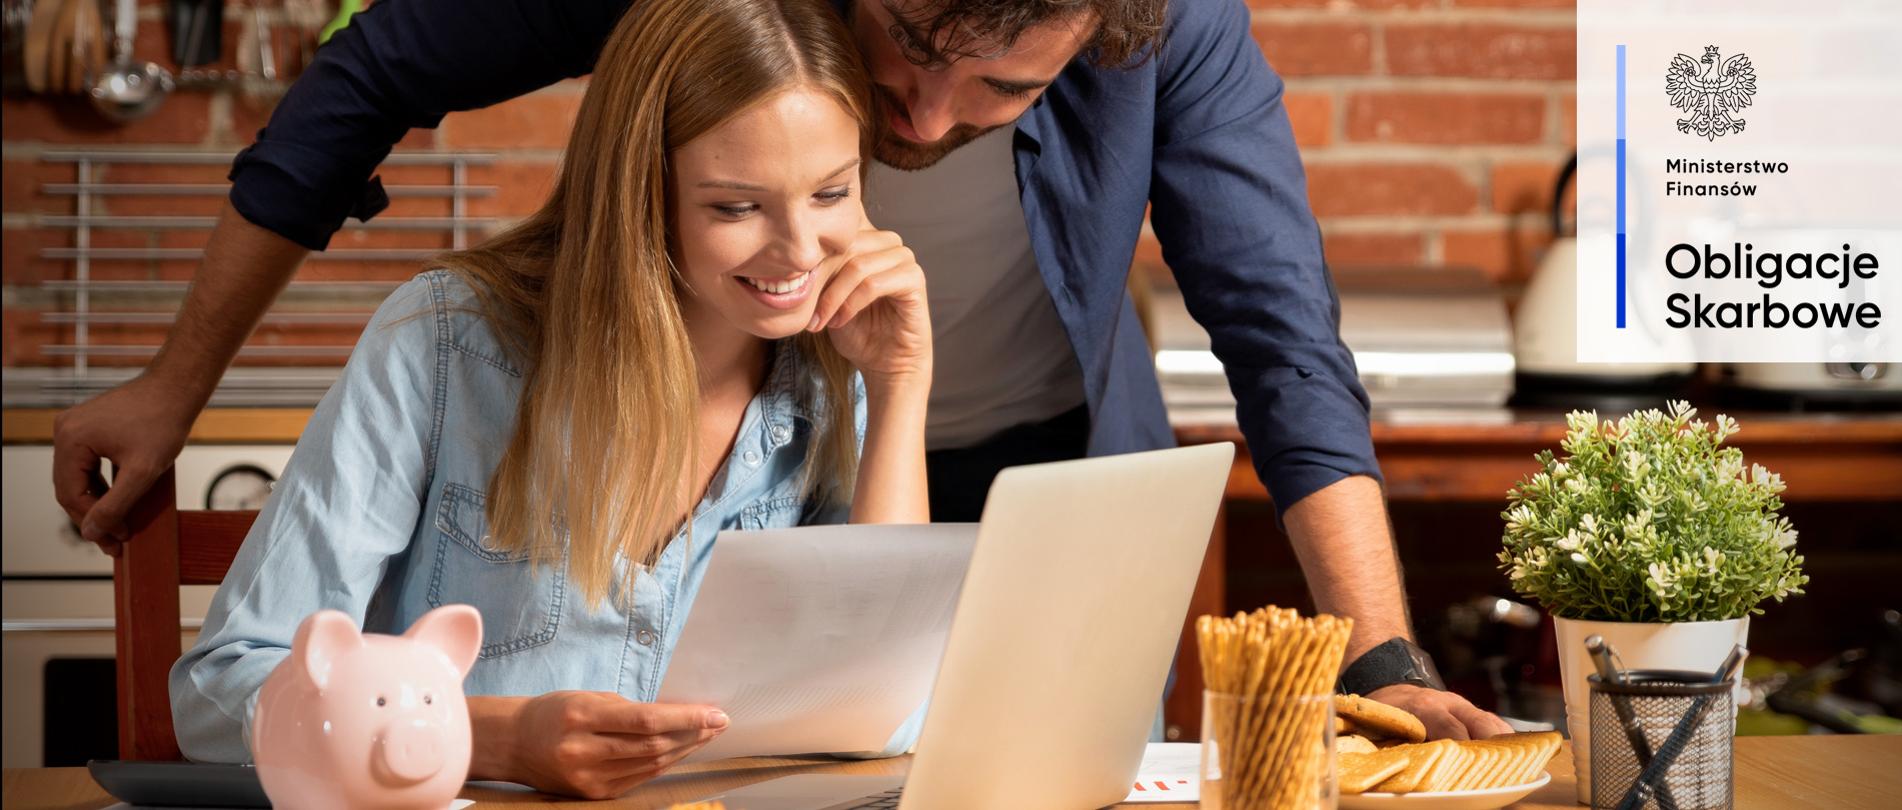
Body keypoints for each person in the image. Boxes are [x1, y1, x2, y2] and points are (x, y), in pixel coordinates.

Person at [59, 0, 1511, 739]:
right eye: (907, 41)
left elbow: (1279, 332)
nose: (929, 116)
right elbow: (375, 70)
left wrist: (1378, 651)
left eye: (1006, 88)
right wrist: (173, 384)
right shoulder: (448, 350)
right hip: (765, 410)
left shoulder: (1167, 27)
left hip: (1008, 451)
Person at [169, 0, 934, 797]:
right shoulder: (444, 346)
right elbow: (220, 693)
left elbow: (882, 719)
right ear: (640, 192)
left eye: (831, 193)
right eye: (735, 206)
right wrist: (490, 739)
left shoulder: (830, 373)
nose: (802, 251)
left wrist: (899, 383)